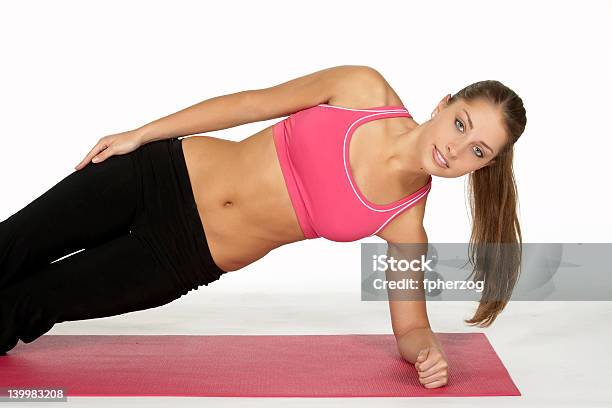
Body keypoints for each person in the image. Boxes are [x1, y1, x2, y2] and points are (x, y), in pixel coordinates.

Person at [0, 65, 526, 389]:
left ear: (482, 166)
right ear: (443, 104)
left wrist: (427, 355)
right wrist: (142, 133)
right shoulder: (362, 90)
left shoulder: (406, 225)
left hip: (178, 258)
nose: (456, 148)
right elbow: (249, 104)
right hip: (158, 176)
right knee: (9, 246)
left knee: (24, 306)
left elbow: (410, 328)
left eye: (477, 150)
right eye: (460, 122)